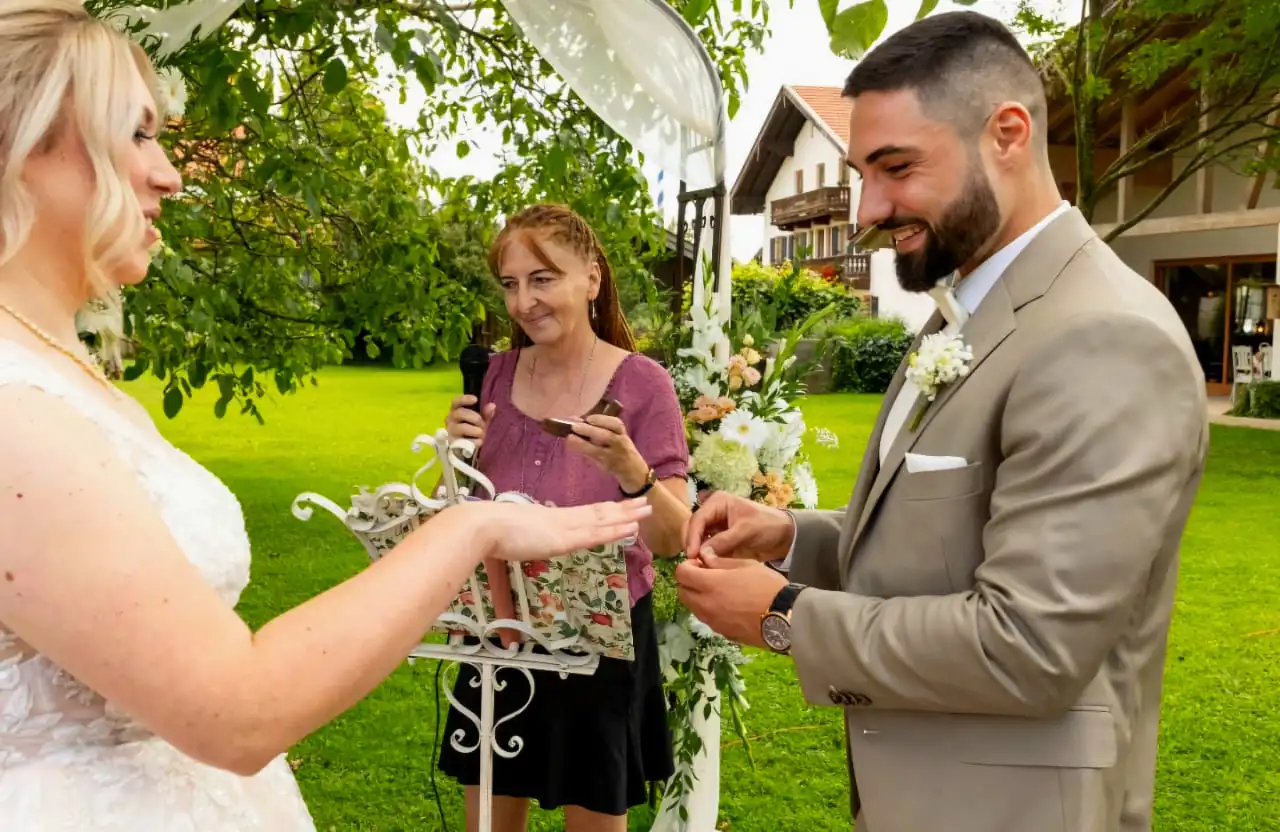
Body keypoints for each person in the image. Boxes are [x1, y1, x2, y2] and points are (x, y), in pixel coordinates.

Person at [0, 3, 651, 829]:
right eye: (136, 135)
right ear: (25, 148)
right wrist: (470, 530)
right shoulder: (13, 404)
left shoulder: (66, 373)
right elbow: (233, 708)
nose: (169, 173)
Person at [676, 12, 1207, 832]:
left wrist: (785, 614)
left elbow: (1030, 645)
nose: (867, 210)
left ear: (1007, 134)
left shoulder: (1106, 336)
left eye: (896, 168)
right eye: (860, 173)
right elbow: (938, 540)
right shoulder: (960, 314)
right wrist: (788, 536)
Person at [437, 203, 691, 832]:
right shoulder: (489, 379)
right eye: (510, 283)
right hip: (498, 630)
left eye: (542, 278)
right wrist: (454, 453)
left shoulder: (643, 386)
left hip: (597, 638)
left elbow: (672, 537)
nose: (523, 302)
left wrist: (635, 471)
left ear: (592, 279)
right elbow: (459, 515)